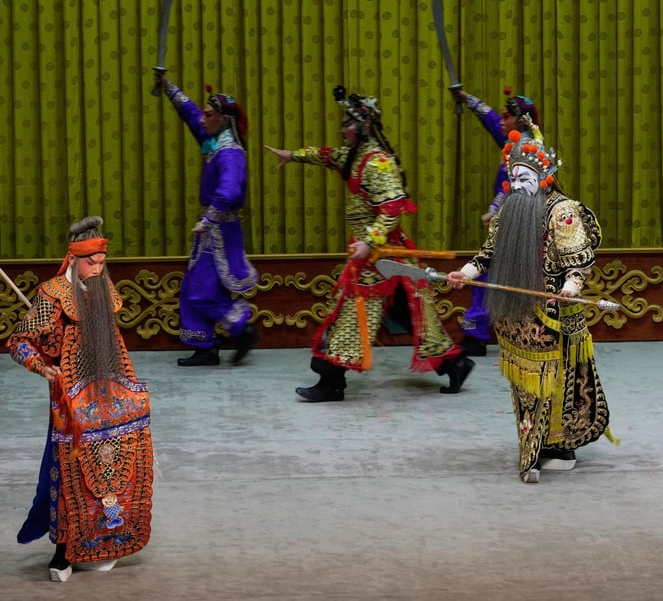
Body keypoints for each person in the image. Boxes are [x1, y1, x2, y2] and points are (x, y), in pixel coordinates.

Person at [264, 85, 474, 401]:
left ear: (362, 126)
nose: (342, 129)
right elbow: (327, 155)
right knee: (411, 315)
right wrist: (292, 156)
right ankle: (455, 362)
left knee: (351, 311)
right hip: (374, 253)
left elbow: (391, 207)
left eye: (347, 124)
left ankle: (331, 380)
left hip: (382, 256)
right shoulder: (355, 155)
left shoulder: (378, 162)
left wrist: (369, 241)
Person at [447, 128, 615, 483]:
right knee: (527, 387)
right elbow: (487, 253)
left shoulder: (562, 211)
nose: (518, 184)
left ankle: (556, 445)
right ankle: (534, 446)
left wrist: (571, 285)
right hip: (517, 318)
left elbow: (578, 258)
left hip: (554, 316)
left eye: (525, 178)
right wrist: (464, 272)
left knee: (560, 383)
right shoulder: (510, 210)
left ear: (544, 178)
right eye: (513, 178)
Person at [7, 217, 153, 582]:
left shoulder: (103, 288)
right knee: (67, 474)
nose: (98, 269)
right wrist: (41, 367)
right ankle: (63, 552)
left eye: (103, 262)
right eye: (92, 263)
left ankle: (106, 540)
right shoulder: (51, 294)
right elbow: (18, 341)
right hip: (71, 398)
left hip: (113, 391)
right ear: (74, 259)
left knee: (117, 467)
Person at [155, 72, 260, 366]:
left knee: (199, 291)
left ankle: (242, 329)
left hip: (220, 230)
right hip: (211, 231)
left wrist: (209, 219)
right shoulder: (214, 143)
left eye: (208, 115)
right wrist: (168, 88)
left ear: (222, 119)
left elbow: (229, 190)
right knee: (194, 289)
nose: (203, 119)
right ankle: (205, 348)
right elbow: (191, 115)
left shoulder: (230, 154)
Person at [448, 86, 542, 357]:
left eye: (506, 117)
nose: (500, 121)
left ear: (520, 120)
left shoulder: (528, 149)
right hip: (510, 222)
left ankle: (485, 334)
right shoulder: (514, 143)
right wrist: (466, 99)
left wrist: (494, 211)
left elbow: (514, 186)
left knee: (500, 273)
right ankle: (481, 333)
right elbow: (489, 118)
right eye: (501, 117)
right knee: (489, 272)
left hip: (522, 222)